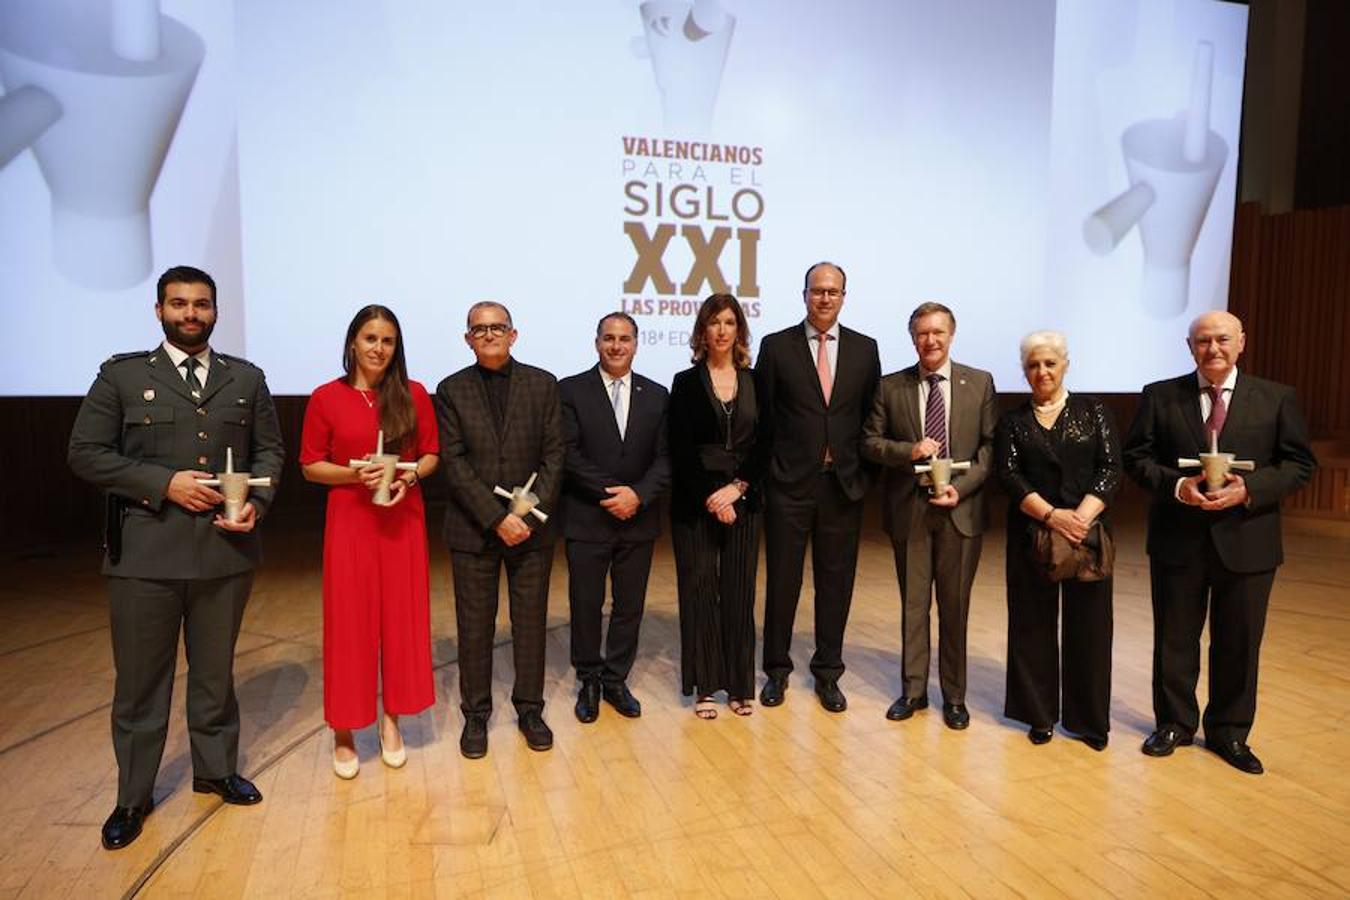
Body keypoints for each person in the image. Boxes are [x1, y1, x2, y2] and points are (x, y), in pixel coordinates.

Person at [67, 266, 284, 850]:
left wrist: (256, 506)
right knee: (141, 687)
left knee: (215, 676)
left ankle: (215, 770)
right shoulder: (123, 376)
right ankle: (132, 798)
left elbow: (270, 451)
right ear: (158, 308)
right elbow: (86, 453)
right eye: (179, 304)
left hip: (225, 550)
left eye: (202, 304)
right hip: (145, 558)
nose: (191, 313)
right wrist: (163, 484)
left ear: (216, 311)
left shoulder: (246, 378)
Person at [1123, 310, 1315, 775]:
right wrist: (1176, 486)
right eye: (1203, 341)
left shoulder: (1276, 398)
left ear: (1241, 343)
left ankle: (1230, 733)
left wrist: (1249, 489)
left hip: (1249, 542)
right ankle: (1174, 724)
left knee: (1239, 644)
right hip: (1178, 540)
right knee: (1175, 640)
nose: (1213, 348)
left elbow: (1298, 465)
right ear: (1189, 346)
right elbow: (1137, 457)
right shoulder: (1160, 396)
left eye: (1222, 339)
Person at [299, 306, 439, 779]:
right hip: (351, 521)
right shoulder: (325, 397)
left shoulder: (414, 395)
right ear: (353, 342)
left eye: (388, 341)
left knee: (401, 622)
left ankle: (391, 721)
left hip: (403, 520)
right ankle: (344, 730)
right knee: (350, 624)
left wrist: (410, 476)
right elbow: (310, 465)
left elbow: (430, 456)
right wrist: (359, 475)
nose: (379, 348)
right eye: (370, 338)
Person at [434, 301, 563, 758]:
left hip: (532, 533)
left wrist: (524, 517)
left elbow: (554, 458)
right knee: (474, 627)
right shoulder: (450, 390)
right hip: (474, 532)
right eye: (479, 329)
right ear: (467, 338)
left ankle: (530, 709)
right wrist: (496, 518)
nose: (488, 335)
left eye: (497, 327)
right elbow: (453, 462)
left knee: (530, 625)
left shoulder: (543, 385)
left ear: (514, 334)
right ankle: (476, 715)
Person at [861, 302, 996, 729]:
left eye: (938, 333)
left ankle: (954, 697)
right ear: (913, 338)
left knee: (955, 609)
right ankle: (913, 691)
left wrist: (964, 487)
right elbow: (870, 442)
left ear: (951, 335)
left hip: (961, 511)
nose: (930, 341)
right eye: (922, 334)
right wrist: (909, 451)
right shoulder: (890, 386)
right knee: (914, 607)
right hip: (911, 511)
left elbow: (989, 450)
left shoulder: (980, 383)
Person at [755, 261, 881, 712]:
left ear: (844, 297)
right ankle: (776, 671)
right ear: (804, 294)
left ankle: (828, 673)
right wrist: (770, 474)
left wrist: (864, 477)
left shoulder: (866, 350)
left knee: (835, 585)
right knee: (783, 584)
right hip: (789, 486)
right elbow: (763, 418)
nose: (824, 298)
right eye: (817, 290)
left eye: (833, 291)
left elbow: (872, 418)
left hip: (842, 487)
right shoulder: (776, 347)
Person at [994, 331, 1120, 751]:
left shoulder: (1093, 410)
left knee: (1091, 630)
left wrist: (1078, 519)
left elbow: (1109, 469)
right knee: (1032, 628)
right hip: (1033, 534)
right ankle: (1039, 714)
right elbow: (1009, 476)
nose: (1041, 372)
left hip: (1087, 535)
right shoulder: (1012, 421)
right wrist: (1052, 516)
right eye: (1033, 365)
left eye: (1049, 363)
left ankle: (1088, 721)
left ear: (1065, 364)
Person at [559, 312, 670, 722]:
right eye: (609, 338)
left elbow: (665, 458)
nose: (617, 346)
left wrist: (637, 496)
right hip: (589, 517)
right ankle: (588, 678)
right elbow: (568, 453)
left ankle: (615, 678)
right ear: (596, 343)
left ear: (637, 344)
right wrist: (614, 494)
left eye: (625, 338)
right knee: (586, 604)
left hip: (637, 519)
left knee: (629, 606)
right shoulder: (570, 390)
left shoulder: (657, 395)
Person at [669, 294, 765, 718]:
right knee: (701, 592)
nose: (722, 330)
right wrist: (713, 495)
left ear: (739, 330)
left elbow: (768, 443)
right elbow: (680, 449)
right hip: (696, 503)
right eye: (714, 323)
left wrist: (738, 488)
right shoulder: (685, 382)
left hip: (745, 500)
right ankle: (706, 686)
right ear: (702, 332)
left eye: (729, 322)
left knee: (740, 594)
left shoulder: (758, 381)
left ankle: (741, 685)